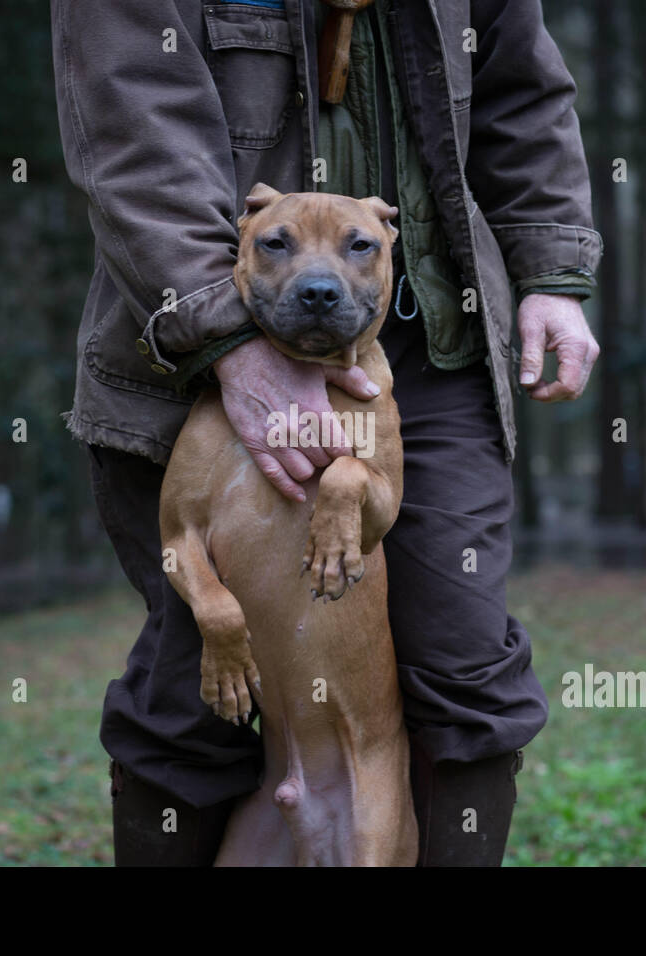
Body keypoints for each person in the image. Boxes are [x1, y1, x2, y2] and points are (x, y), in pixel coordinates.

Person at [50, 0, 603, 866]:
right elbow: (132, 125)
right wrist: (226, 339)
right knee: (191, 701)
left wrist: (551, 269)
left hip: (429, 347)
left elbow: (520, 84)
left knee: (465, 675)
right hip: (201, 338)